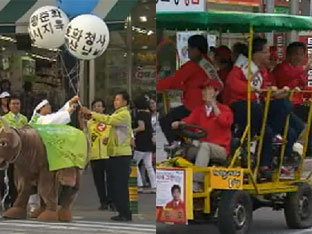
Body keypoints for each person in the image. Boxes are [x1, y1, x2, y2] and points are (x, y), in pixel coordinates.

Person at [225, 37, 292, 178]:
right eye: (266, 52)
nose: (269, 55)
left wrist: (278, 92)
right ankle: (262, 159)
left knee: (285, 107)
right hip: (241, 105)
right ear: (256, 54)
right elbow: (232, 83)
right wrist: (251, 88)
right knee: (262, 123)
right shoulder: (242, 67)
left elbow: (264, 91)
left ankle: (275, 149)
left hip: (258, 104)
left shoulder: (262, 71)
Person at [157, 35, 223, 149]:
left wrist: (158, 86)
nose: (188, 52)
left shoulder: (194, 64)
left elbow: (175, 80)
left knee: (165, 120)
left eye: (189, 49)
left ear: (196, 49)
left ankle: (176, 144)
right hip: (206, 103)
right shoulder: (207, 63)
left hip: (194, 105)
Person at [80, 91, 133, 222]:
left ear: (125, 102)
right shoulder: (118, 113)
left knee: (120, 185)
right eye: (115, 99)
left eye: (118, 100)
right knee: (115, 184)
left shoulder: (124, 114)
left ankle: (125, 213)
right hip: (114, 154)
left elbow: (109, 120)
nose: (115, 102)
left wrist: (91, 113)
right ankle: (122, 211)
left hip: (121, 155)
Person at [172, 80, 233, 191]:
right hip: (201, 146)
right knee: (183, 150)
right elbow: (189, 121)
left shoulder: (225, 109)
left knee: (204, 146)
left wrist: (214, 106)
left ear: (216, 92)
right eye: (204, 90)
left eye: (208, 89)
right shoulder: (199, 110)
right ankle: (175, 180)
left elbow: (225, 122)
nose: (204, 92)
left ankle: (196, 183)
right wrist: (179, 123)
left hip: (220, 149)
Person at [28, 96, 78, 215]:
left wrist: (70, 102)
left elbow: (57, 114)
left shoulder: (43, 118)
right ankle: (36, 207)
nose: (50, 107)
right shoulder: (39, 120)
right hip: (38, 157)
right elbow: (55, 118)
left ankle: (42, 206)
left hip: (44, 155)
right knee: (36, 182)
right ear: (41, 108)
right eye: (48, 106)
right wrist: (69, 111)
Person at [273, 42, 312, 156]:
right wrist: (304, 68)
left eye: (301, 54)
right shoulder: (282, 68)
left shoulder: (297, 69)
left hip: (296, 102)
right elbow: (289, 77)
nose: (298, 57)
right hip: (285, 104)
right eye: (295, 54)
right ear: (288, 55)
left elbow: (301, 86)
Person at [1, 96, 28, 209]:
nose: (16, 106)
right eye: (13, 104)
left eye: (18, 103)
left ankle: (19, 201)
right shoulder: (3, 119)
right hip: (9, 153)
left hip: (21, 152)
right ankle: (9, 200)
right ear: (9, 105)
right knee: (10, 177)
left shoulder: (24, 119)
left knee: (21, 178)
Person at [87, 99, 113, 211]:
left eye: (99, 106)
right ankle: (103, 202)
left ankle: (112, 201)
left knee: (111, 180)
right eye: (95, 106)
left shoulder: (109, 121)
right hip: (95, 156)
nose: (97, 108)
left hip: (108, 154)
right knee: (99, 181)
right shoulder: (89, 123)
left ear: (103, 108)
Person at [133, 96, 156, 193]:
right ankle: (154, 185)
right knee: (148, 165)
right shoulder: (148, 114)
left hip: (141, 141)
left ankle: (139, 184)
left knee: (134, 163)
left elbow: (141, 127)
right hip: (149, 141)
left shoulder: (140, 114)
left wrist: (132, 130)